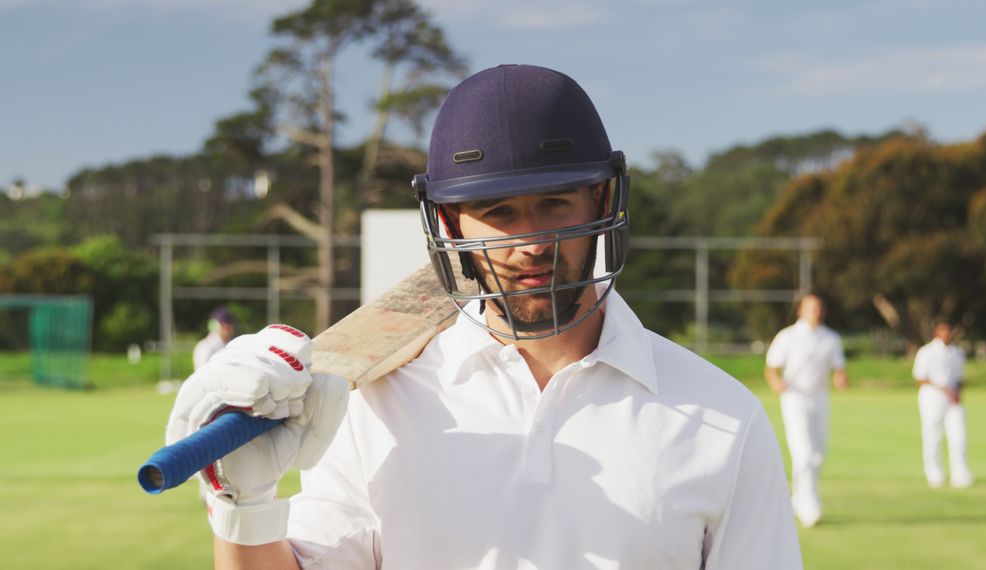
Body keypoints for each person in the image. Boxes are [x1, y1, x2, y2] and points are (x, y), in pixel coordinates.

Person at [164, 64, 802, 569]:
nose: (530, 241)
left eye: (555, 203)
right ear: (447, 221)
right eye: (498, 213)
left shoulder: (721, 417)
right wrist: (244, 507)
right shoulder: (373, 403)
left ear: (603, 199)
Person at [765, 293, 848, 528]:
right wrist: (775, 383)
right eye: (811, 308)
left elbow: (838, 368)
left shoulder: (830, 338)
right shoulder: (788, 336)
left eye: (819, 308)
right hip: (795, 397)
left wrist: (841, 378)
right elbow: (772, 368)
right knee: (804, 452)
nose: (816, 312)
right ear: (801, 310)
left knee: (818, 453)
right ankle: (809, 505)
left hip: (820, 397)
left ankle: (799, 499)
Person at [912, 322, 973, 489]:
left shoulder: (957, 353)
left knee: (958, 435)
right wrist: (941, 388)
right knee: (933, 435)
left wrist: (957, 393)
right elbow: (919, 377)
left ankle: (960, 473)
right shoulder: (926, 352)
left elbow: (959, 378)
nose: (948, 335)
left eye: (949, 332)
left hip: (953, 400)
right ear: (936, 334)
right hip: (932, 398)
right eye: (944, 333)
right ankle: (934, 472)